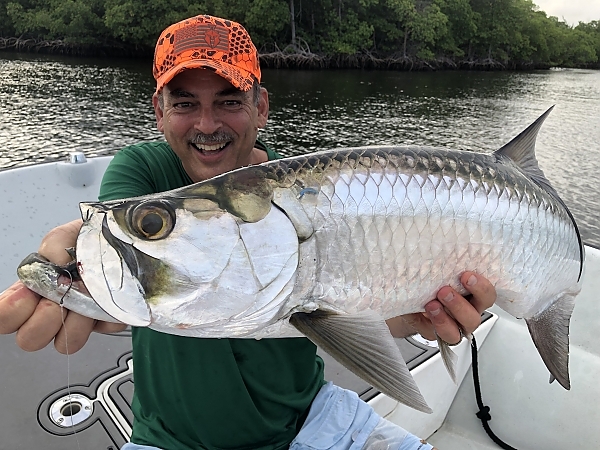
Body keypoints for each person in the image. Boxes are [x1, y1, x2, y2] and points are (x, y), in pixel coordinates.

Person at [0, 14, 496, 450]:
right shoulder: (143, 172)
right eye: (185, 102)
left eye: (230, 100)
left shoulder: (304, 197)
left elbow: (335, 308)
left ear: (261, 106)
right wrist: (74, 256)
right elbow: (110, 231)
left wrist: (414, 318)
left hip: (314, 419)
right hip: (171, 441)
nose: (208, 124)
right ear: (159, 111)